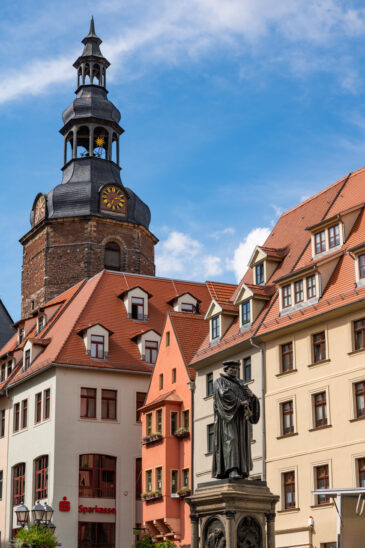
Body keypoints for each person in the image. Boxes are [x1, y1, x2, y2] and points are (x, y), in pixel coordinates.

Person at [212, 360, 260, 479]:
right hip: (227, 419)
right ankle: (232, 470)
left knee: (242, 443)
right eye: (232, 368)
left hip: (241, 418)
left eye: (236, 368)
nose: (234, 370)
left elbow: (250, 399)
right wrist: (239, 402)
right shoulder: (220, 381)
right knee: (231, 440)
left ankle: (242, 470)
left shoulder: (241, 384)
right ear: (226, 369)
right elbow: (223, 395)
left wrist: (252, 397)